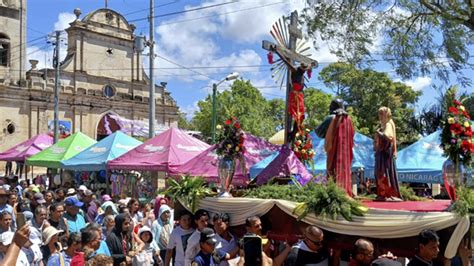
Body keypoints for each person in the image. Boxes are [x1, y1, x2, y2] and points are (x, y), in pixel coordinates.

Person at [315, 99, 355, 196]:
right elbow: (352, 134)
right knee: (344, 171)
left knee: (333, 171)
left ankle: (334, 194)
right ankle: (344, 192)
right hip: (346, 154)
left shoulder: (332, 117)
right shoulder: (349, 119)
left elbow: (318, 132)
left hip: (334, 152)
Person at [374, 107, 402, 201]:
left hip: (385, 154)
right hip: (383, 153)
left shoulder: (389, 124)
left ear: (386, 114)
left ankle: (387, 193)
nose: (380, 116)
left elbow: (388, 137)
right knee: (382, 173)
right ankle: (383, 193)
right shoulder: (385, 124)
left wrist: (378, 133)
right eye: (379, 114)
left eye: (382, 114)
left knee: (384, 172)